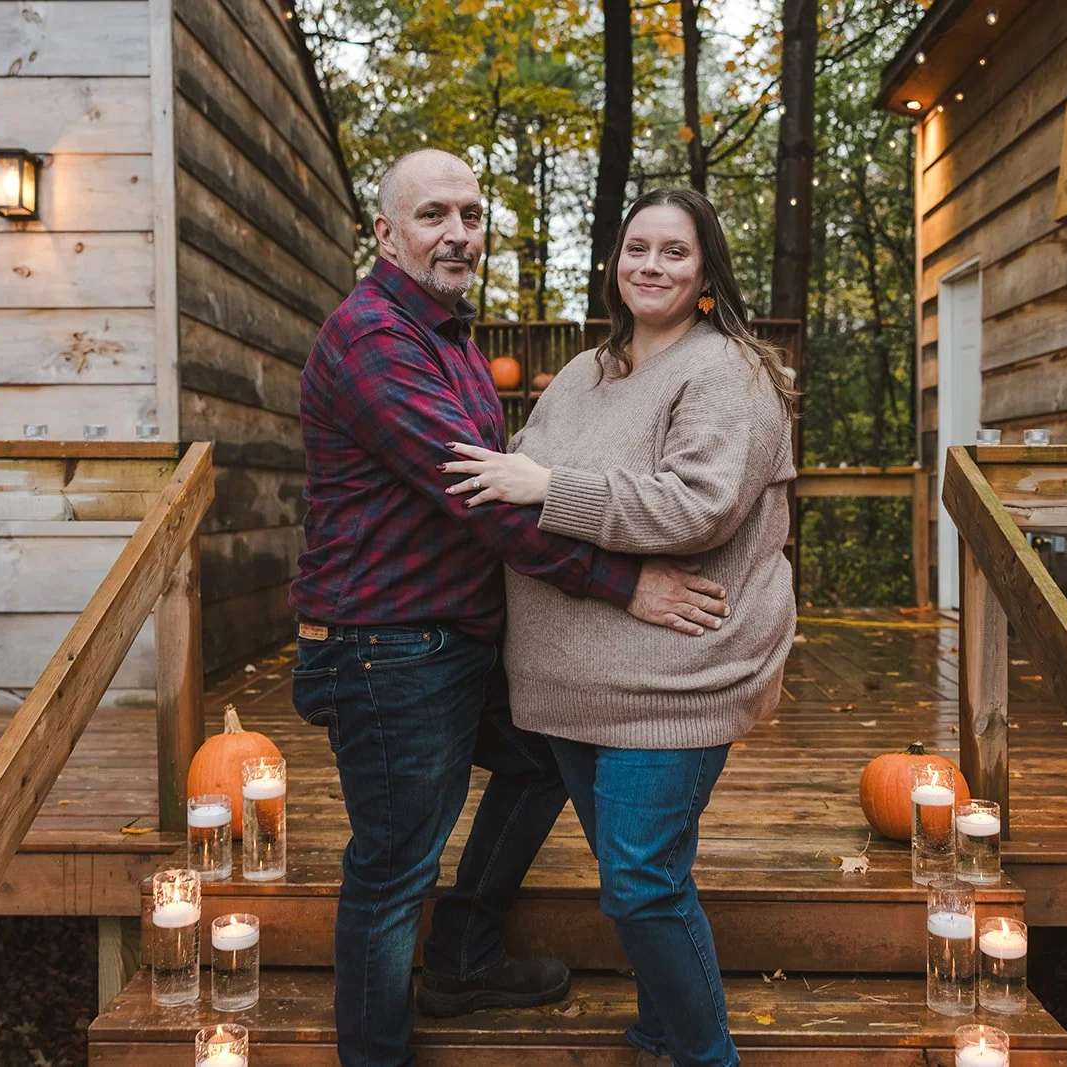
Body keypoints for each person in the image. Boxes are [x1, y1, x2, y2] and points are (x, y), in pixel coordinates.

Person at [290, 151, 736, 1067]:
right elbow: (483, 500)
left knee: (542, 753)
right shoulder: (377, 339)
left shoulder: (448, 334)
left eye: (470, 214)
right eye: (431, 216)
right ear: (385, 233)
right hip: (385, 647)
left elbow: (525, 472)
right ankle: (376, 1051)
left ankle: (461, 955)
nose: (457, 233)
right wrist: (629, 585)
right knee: (393, 867)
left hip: (454, 636)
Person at [443, 186, 798, 1067]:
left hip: (671, 678)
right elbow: (503, 480)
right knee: (635, 879)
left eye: (675, 252)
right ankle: (664, 1029)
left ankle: (705, 1053)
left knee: (641, 882)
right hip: (569, 684)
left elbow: (697, 506)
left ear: (707, 271)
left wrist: (548, 487)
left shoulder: (727, 373)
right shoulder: (583, 374)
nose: (651, 265)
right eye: (637, 248)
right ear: (614, 264)